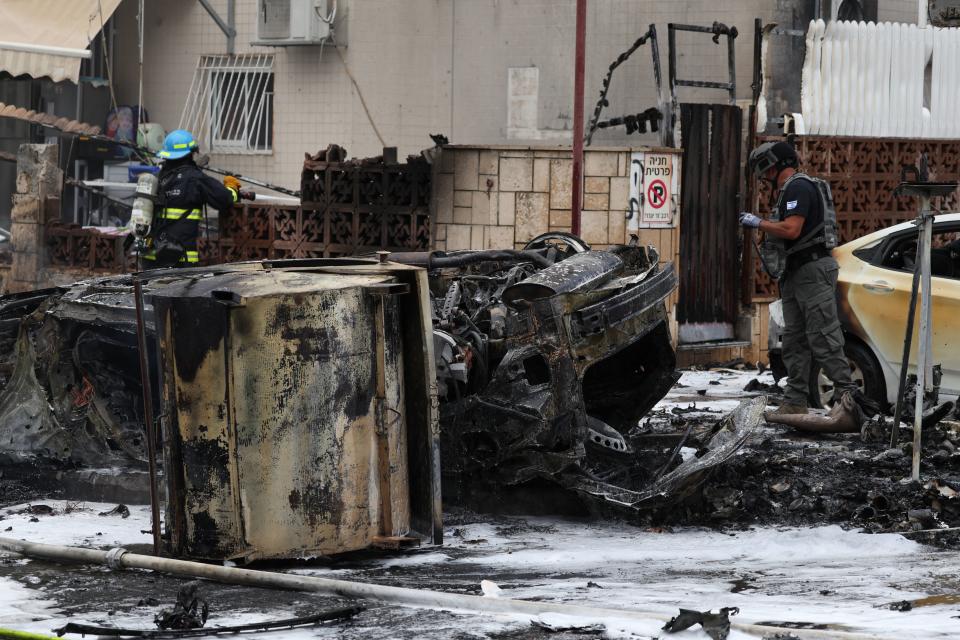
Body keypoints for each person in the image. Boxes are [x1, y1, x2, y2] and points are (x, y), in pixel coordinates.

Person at [739, 141, 857, 415]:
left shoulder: (798, 187)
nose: (763, 175)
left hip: (812, 270)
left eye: (764, 168)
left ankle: (850, 403)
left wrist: (758, 222)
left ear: (775, 163)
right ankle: (795, 401)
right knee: (795, 341)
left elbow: (792, 229)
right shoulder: (788, 190)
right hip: (796, 273)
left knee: (823, 337)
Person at [144, 129, 240, 267]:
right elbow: (225, 199)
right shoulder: (195, 179)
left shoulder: (158, 178)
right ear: (190, 154)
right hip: (179, 262)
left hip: (151, 258)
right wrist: (232, 188)